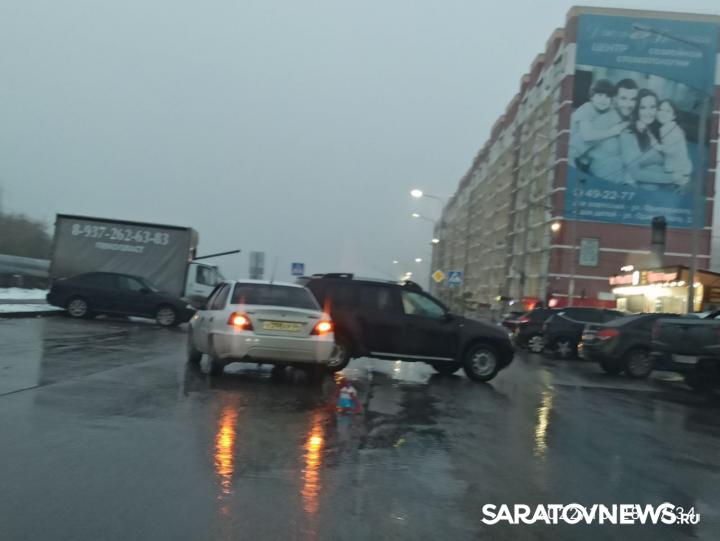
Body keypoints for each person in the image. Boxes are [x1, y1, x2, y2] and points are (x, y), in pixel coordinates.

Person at [619, 89, 676, 189]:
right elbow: (635, 173)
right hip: (634, 185)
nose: (648, 112)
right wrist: (672, 179)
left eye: (652, 107)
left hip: (657, 179)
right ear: (636, 110)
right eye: (643, 107)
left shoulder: (659, 129)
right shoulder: (628, 134)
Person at [586, 79, 639, 182]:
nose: (628, 104)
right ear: (615, 99)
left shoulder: (634, 121)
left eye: (633, 99)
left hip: (626, 183)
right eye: (623, 98)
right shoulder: (602, 121)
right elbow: (579, 155)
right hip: (599, 181)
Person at [569, 79, 627, 170]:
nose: (603, 100)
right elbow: (587, 136)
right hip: (568, 153)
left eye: (608, 97)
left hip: (582, 156)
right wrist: (613, 131)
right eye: (600, 95)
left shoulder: (606, 111)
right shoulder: (587, 108)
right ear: (592, 97)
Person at [656, 99, 692, 190]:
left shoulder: (668, 129)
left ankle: (681, 183)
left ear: (674, 116)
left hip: (678, 171)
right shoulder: (671, 126)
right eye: (660, 110)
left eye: (667, 111)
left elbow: (670, 151)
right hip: (682, 167)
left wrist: (655, 145)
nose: (663, 113)